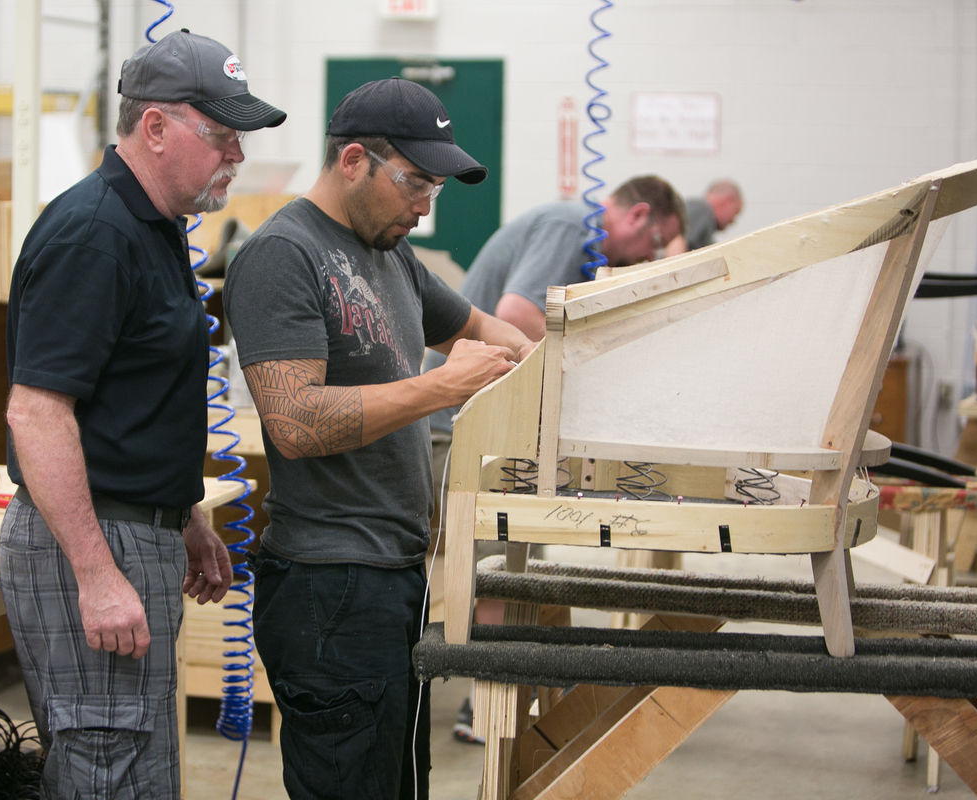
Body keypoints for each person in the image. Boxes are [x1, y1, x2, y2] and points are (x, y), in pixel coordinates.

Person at [222, 78, 534, 800]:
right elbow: (294, 422)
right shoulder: (284, 255)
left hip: (392, 579)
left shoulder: (389, 252)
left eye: (437, 189)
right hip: (329, 587)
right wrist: (445, 385)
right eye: (415, 183)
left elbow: (483, 327)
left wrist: (532, 361)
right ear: (355, 159)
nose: (425, 207)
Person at [0, 29, 285, 799]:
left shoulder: (153, 229)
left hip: (136, 529)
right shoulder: (94, 234)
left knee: (140, 771)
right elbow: (37, 413)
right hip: (89, 540)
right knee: (107, 770)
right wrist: (96, 574)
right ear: (154, 128)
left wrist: (183, 513)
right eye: (221, 135)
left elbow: (128, 399)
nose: (237, 155)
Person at [420, 177, 685, 742]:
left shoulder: (580, 238)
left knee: (519, 550)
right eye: (656, 244)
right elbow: (515, 312)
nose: (651, 258)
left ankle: (521, 687)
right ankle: (487, 709)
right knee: (497, 554)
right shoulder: (572, 226)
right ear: (638, 215)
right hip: (458, 427)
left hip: (489, 425)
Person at [666, 179, 744, 254]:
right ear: (728, 201)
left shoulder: (706, 227)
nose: (732, 221)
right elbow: (676, 239)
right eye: (735, 213)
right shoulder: (702, 208)